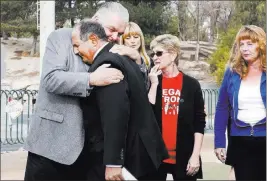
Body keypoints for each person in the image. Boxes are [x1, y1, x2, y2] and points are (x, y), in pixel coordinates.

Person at [23, 2, 145, 181]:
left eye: (119, 33)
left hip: (91, 155)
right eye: (112, 29)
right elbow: (51, 79)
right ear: (96, 20)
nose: (114, 37)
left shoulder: (115, 50)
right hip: (50, 148)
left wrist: (139, 60)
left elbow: (135, 92)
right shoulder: (61, 38)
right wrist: (91, 79)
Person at [76, 21, 168, 180]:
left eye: (77, 45)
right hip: (143, 154)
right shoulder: (124, 59)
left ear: (92, 40)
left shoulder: (108, 63)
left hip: (130, 160)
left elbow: (115, 114)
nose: (75, 51)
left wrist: (113, 162)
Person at [148, 34, 206, 180]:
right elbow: (146, 115)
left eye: (159, 53)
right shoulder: (151, 82)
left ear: (173, 55)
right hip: (156, 157)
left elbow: (199, 123)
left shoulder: (191, 85)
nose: (155, 57)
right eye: (153, 54)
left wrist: (195, 156)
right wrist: (154, 84)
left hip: (184, 155)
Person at [214, 25, 266, 180]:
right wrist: (219, 142)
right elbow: (222, 107)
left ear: (261, 45)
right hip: (239, 139)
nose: (245, 48)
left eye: (250, 44)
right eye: (241, 44)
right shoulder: (231, 72)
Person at [119, 22, 152, 90]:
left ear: (141, 39)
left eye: (136, 37)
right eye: (128, 38)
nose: (132, 41)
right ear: (123, 40)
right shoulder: (119, 60)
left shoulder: (148, 60)